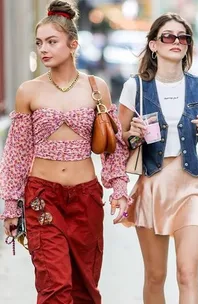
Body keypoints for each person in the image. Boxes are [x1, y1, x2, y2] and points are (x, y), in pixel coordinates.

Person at [0, 1, 130, 303]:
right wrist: (10, 204)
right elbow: (16, 153)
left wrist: (119, 189)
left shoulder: (96, 88)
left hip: (86, 199)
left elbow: (113, 148)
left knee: (85, 289)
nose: (44, 49)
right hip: (42, 199)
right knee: (54, 287)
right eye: (39, 43)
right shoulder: (28, 91)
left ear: (73, 44)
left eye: (52, 41)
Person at [118, 12, 198, 304]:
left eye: (183, 37)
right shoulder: (135, 88)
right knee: (155, 276)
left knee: (187, 274)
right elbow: (118, 144)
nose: (176, 42)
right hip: (152, 185)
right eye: (168, 36)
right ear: (153, 44)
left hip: (191, 186)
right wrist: (133, 134)